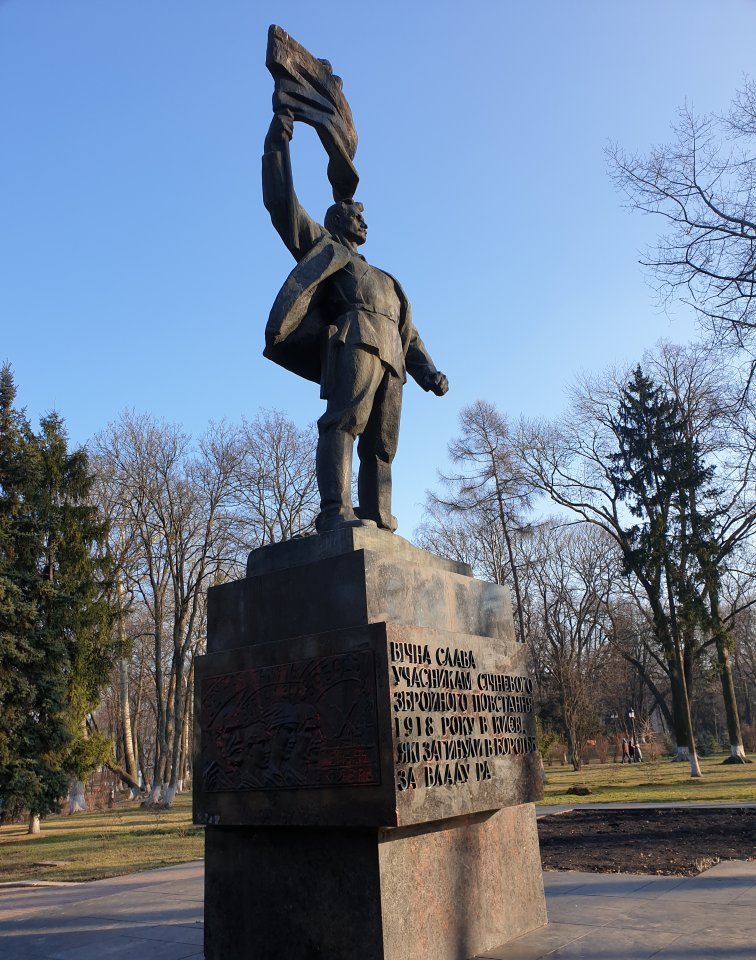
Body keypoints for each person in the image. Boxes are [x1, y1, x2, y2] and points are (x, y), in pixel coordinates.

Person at [262, 112, 449, 533]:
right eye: (355, 214)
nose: (364, 221)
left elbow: (410, 334)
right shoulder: (330, 250)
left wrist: (429, 372)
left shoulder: (389, 280)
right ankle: (336, 510)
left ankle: (378, 513)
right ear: (335, 221)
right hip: (356, 340)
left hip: (394, 359)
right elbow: (281, 205)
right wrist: (278, 142)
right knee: (344, 421)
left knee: (383, 445)